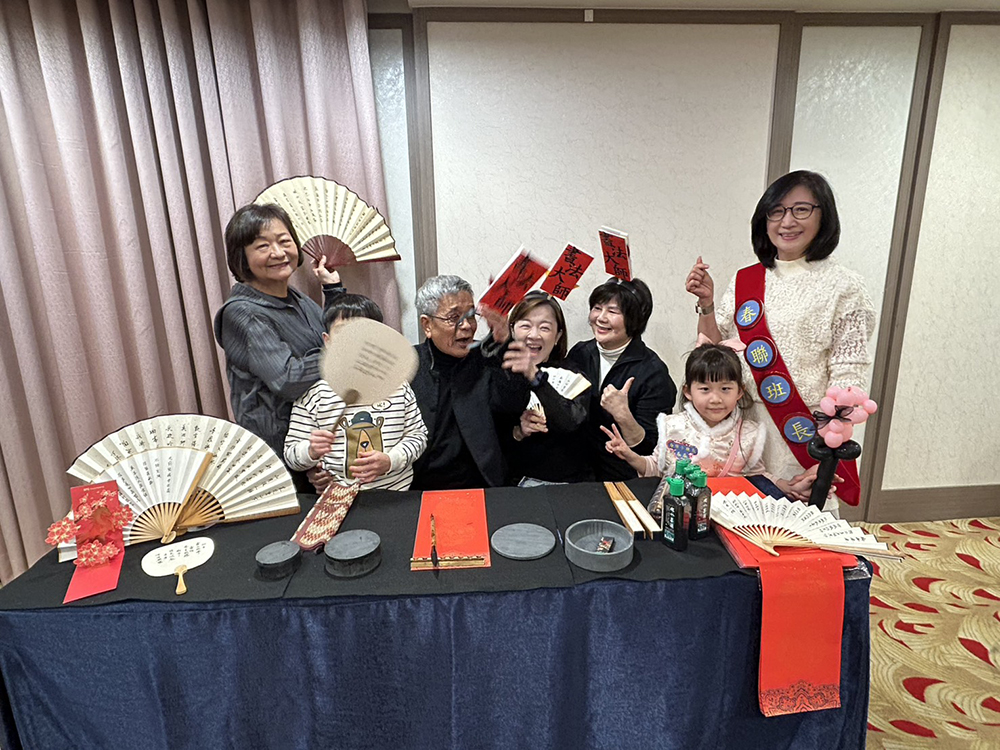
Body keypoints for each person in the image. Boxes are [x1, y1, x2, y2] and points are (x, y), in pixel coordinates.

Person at [686, 170, 876, 512]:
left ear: (824, 216)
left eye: (801, 209)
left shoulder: (845, 286)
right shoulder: (745, 279)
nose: (787, 221)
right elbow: (715, 355)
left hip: (802, 437)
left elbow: (849, 379)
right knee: (739, 523)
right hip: (739, 428)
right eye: (776, 211)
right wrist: (707, 304)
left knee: (796, 529)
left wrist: (827, 455)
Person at [213, 203, 344, 491]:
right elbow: (287, 379)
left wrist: (333, 291)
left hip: (314, 444)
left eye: (284, 241)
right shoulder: (242, 313)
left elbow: (329, 336)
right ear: (241, 257)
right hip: (277, 456)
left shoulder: (297, 298)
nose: (278, 252)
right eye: (263, 246)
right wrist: (342, 353)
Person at [283, 295, 428, 491]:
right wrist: (310, 450)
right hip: (335, 496)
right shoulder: (314, 394)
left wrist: (391, 460)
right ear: (327, 341)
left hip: (396, 493)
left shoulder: (398, 387)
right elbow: (291, 454)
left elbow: (418, 436)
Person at [409, 275, 531, 490]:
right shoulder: (409, 365)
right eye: (453, 317)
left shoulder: (487, 357)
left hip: (481, 485)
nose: (466, 326)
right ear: (427, 325)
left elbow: (514, 405)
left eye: (470, 315)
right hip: (418, 487)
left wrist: (505, 342)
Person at [566, 277, 677, 481]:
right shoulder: (580, 353)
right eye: (597, 308)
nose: (601, 318)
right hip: (576, 475)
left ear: (634, 319)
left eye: (613, 311)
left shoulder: (653, 372)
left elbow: (651, 450)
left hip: (623, 479)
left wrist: (623, 415)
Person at [601, 341, 766, 479]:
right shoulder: (673, 426)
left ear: (739, 391)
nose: (715, 399)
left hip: (726, 508)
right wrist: (629, 455)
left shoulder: (749, 434)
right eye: (705, 389)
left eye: (725, 389)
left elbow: (758, 479)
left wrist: (778, 483)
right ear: (688, 392)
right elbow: (656, 468)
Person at [498, 291, 591, 485]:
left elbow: (571, 422)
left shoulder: (573, 374)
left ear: (558, 336)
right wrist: (518, 432)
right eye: (525, 325)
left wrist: (536, 377)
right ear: (512, 330)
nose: (534, 335)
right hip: (513, 484)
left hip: (566, 484)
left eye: (545, 328)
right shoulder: (500, 373)